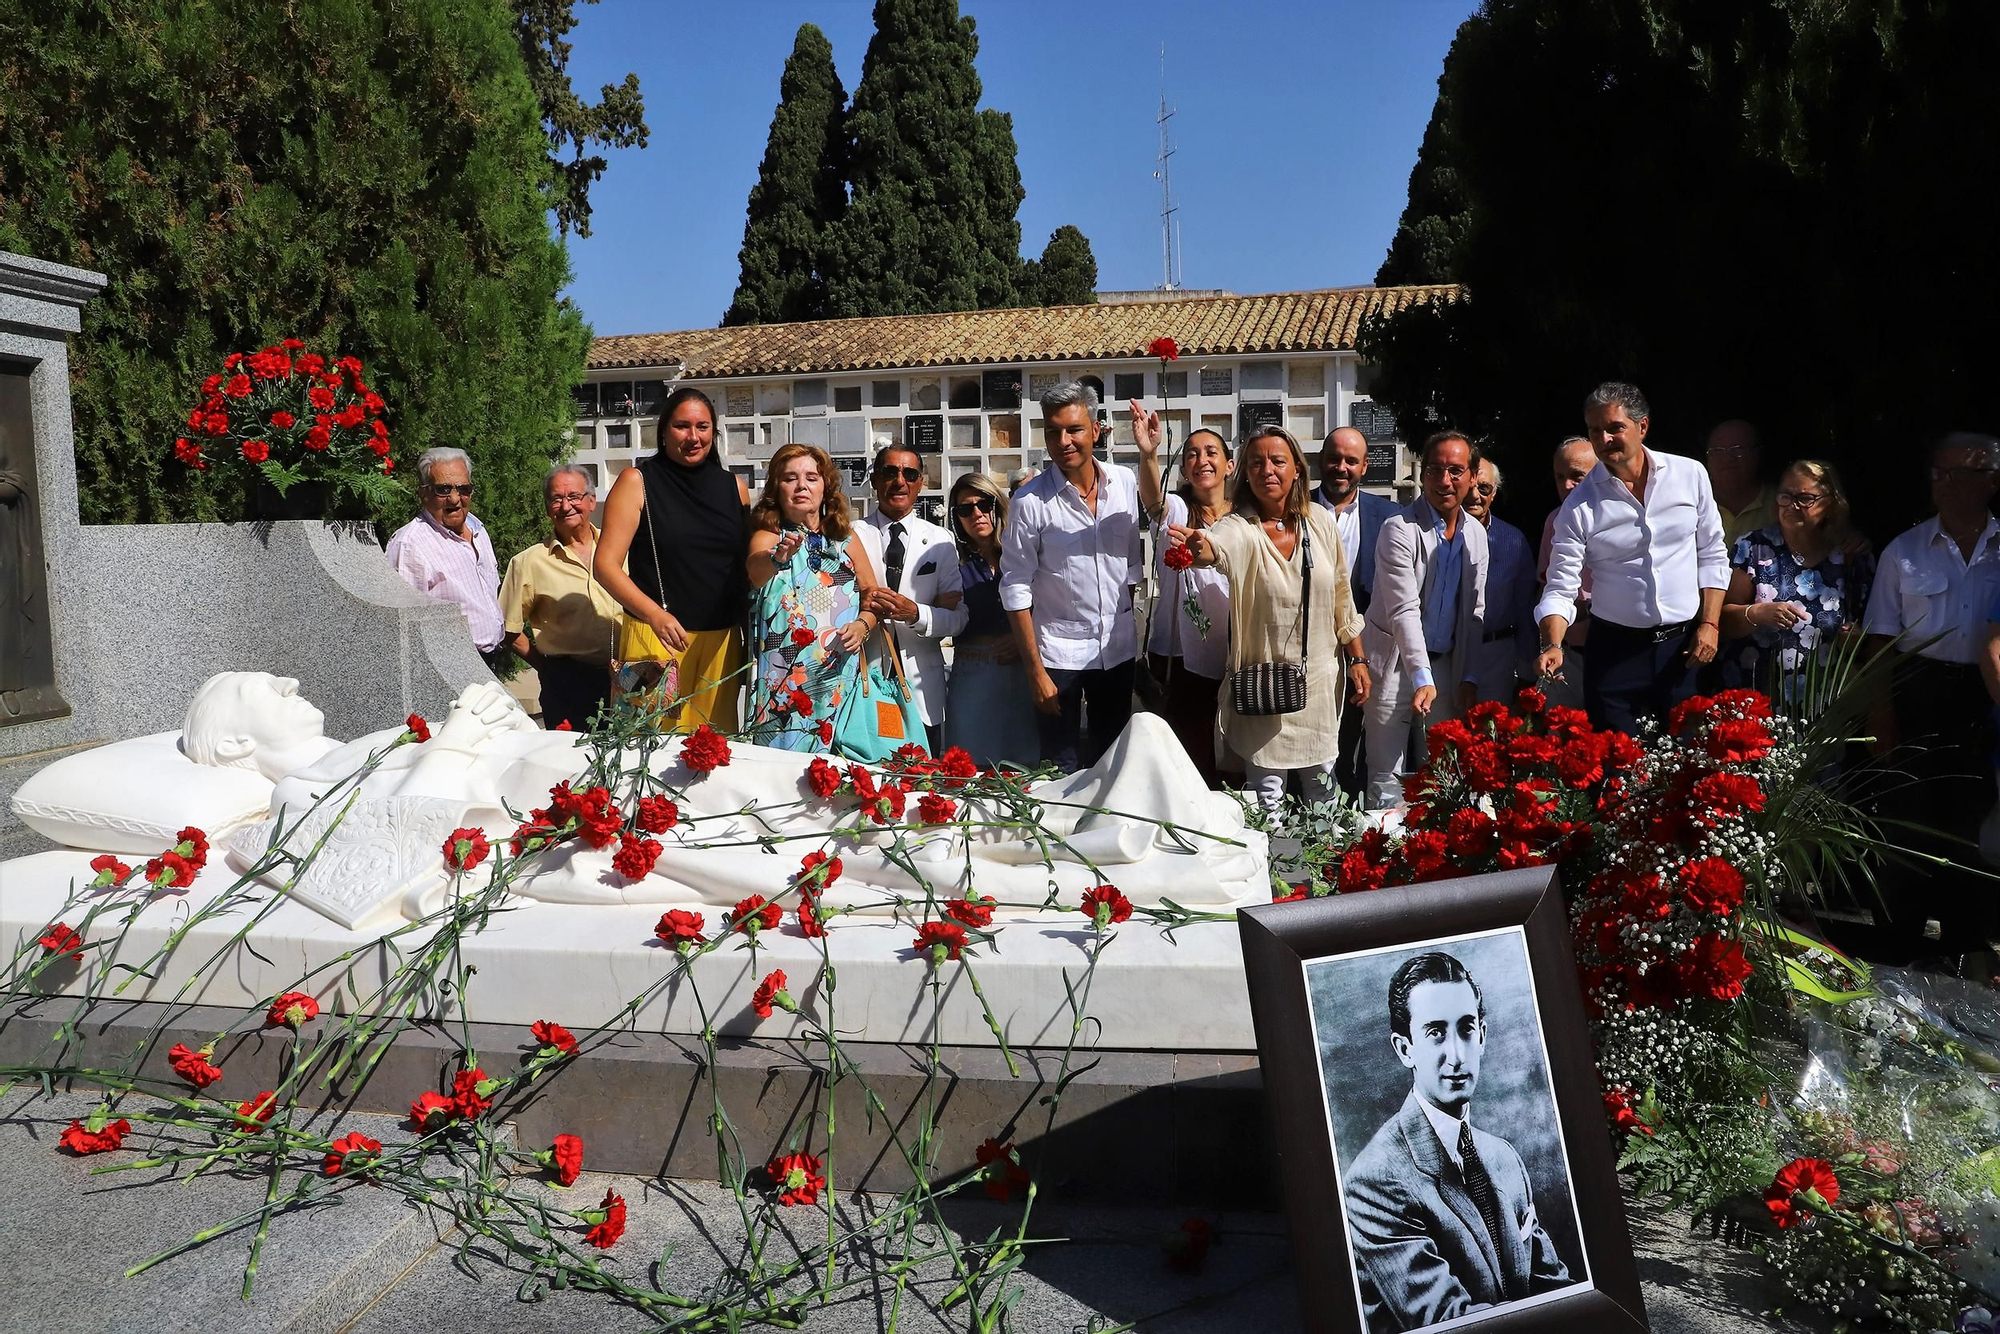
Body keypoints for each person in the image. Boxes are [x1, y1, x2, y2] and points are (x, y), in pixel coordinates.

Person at [1344, 953, 1571, 1332]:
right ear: (1405, 1049)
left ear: (1482, 1037)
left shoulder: (1504, 1158)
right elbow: (1450, 1324)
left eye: (1466, 1030)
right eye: (1435, 1033)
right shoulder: (1374, 1181)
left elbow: (1554, 1290)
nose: (1456, 1056)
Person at [1170, 425, 1369, 812]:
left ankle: (1324, 868)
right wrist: (1203, 550)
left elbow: (1342, 596)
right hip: (1263, 685)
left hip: (1319, 681)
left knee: (1324, 792)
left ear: (1297, 468)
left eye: (1277, 461)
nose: (1267, 471)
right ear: (1244, 472)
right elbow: (1219, 547)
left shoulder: (1319, 522)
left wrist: (1357, 657)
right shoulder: (1239, 526)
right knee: (1267, 799)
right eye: (1256, 463)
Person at [1864, 432, 2000, 958]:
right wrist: (1881, 713)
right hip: (1916, 690)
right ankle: (1896, 938)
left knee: (1971, 818)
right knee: (1907, 818)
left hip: (1982, 696)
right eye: (1937, 473)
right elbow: (1880, 638)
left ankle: (1966, 941)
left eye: (1958, 473)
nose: (1943, 484)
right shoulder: (1907, 549)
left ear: (1991, 481)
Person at [1535, 383, 1728, 737]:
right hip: (1615, 653)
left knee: (1689, 769)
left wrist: (1711, 624)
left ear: (1643, 427)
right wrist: (1553, 643)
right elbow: (1560, 588)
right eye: (1595, 431)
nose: (1605, 439)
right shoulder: (1579, 506)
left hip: (1685, 647)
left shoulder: (1690, 475)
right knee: (1617, 770)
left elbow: (1712, 553)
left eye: (1614, 428)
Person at [1001, 381, 1146, 771]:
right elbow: (1015, 588)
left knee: (1115, 766)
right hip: (1057, 658)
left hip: (1115, 653)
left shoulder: (1124, 484)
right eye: (1053, 431)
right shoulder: (1029, 502)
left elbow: (1131, 568)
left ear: (1095, 431)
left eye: (1074, 429)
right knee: (1059, 771)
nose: (1063, 441)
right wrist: (1035, 672)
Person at [594, 387, 751, 733]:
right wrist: (655, 614)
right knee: (645, 750)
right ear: (664, 431)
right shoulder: (637, 482)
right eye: (682, 426)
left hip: (720, 643)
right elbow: (605, 565)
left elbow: (742, 568)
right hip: (657, 636)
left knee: (712, 751)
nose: (693, 437)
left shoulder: (735, 488)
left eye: (703, 426)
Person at [1361, 431, 1488, 810]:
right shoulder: (1398, 528)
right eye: (1435, 470)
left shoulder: (1476, 534)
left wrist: (1468, 676)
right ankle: (1379, 857)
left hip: (1447, 667)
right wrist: (1421, 677)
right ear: (1422, 473)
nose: (1445, 481)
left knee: (1443, 777)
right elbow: (1403, 610)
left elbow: (1474, 613)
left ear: (1472, 476)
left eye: (1455, 470)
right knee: (1386, 776)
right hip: (1396, 667)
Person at [742, 444, 882, 751]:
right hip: (785, 688)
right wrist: (778, 557)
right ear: (777, 489)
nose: (801, 485)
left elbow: (872, 593)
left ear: (825, 487)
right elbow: (755, 571)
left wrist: (863, 625)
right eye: (790, 478)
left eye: (811, 477)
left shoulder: (847, 538)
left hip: (839, 678)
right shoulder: (768, 535)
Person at [1131, 400, 1234, 787]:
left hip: (1233, 650)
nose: (1201, 460)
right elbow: (1153, 501)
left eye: (1211, 453)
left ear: (1229, 465)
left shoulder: (1245, 516)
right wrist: (1149, 453)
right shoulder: (1176, 508)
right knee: (1185, 756)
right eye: (1192, 454)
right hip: (1178, 654)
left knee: (1228, 752)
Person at [1719, 459, 1873, 702]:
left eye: (1805, 498)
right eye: (1785, 496)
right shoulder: (1753, 547)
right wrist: (1757, 614)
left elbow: (1874, 634)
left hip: (1824, 703)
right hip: (1756, 700)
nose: (1792, 505)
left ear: (1831, 503)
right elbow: (1723, 620)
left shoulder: (1850, 555)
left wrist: (1855, 639)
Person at [854, 446, 965, 755]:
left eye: (910, 474)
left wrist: (915, 613)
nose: (899, 481)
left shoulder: (941, 541)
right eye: (890, 472)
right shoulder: (852, 535)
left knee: (922, 783)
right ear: (875, 480)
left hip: (920, 689)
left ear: (920, 482)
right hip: (863, 682)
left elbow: (957, 619)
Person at [498, 465, 623, 731]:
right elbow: (508, 630)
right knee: (572, 765)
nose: (566, 506)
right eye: (556, 499)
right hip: (569, 686)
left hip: (628, 679)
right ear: (547, 508)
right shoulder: (528, 562)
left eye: (574, 497)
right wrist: (548, 668)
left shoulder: (622, 550)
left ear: (591, 501)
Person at [1314, 426, 1400, 797]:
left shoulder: (1391, 517)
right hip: (1312, 651)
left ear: (1364, 467)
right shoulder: (1293, 509)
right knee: (1320, 750)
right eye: (1334, 458)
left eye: (1351, 461)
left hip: (1371, 650)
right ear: (1321, 460)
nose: (1341, 467)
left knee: (1371, 747)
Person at [941, 472, 1037, 767]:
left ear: (998, 506)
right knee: (971, 769)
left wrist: (1023, 638)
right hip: (974, 670)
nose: (977, 514)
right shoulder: (951, 562)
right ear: (956, 517)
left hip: (1024, 669)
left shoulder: (1022, 553)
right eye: (965, 509)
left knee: (1026, 769)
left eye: (984, 504)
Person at [384, 447, 503, 656]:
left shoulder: (478, 529)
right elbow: (402, 628)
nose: (455, 499)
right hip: (451, 664)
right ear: (424, 493)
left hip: (489, 661)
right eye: (443, 489)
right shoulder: (410, 545)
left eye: (463, 489)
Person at [1466, 458, 1536, 704]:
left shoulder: (1513, 540)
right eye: (1469, 486)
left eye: (1484, 488)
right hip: (1447, 654)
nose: (1475, 495)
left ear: (1494, 493)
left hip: (1496, 655)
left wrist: (1528, 671)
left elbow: (1525, 607)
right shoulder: (1435, 535)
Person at [1537, 437, 1596, 708]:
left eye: (1577, 477)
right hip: (1567, 651)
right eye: (1560, 477)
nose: (1567, 486)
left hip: (1615, 650)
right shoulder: (1555, 520)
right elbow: (1547, 585)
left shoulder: (1624, 517)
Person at [1706, 419, 1776, 550]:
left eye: (1738, 450)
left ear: (1757, 454)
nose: (1728, 458)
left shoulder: (1782, 505)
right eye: (1718, 450)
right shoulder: (1693, 504)